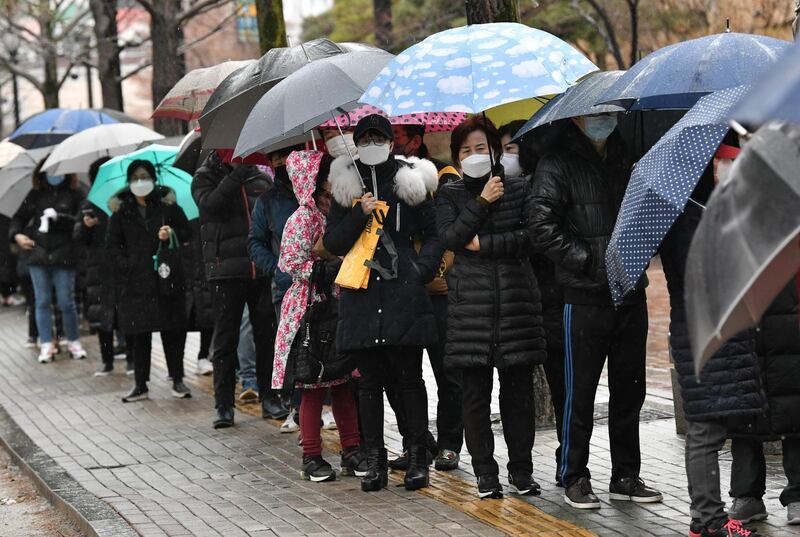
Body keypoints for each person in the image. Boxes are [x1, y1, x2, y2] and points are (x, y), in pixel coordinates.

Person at [531, 113, 663, 509]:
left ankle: (626, 474)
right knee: (579, 393)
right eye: (596, 113)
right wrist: (589, 259)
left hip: (629, 293)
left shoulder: (627, 158)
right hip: (584, 296)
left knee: (630, 391)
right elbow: (541, 226)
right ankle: (574, 475)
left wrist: (637, 254)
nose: (603, 120)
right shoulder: (556, 163)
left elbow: (644, 215)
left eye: (610, 113)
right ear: (577, 117)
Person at [323, 114, 442, 492]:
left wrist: (420, 269)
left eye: (380, 137)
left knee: (410, 379)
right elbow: (334, 243)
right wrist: (359, 213)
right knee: (369, 384)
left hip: (402, 293)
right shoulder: (346, 186)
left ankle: (418, 455)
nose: (373, 143)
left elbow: (434, 231)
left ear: (392, 142)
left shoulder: (409, 179)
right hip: (361, 293)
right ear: (356, 144)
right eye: (365, 138)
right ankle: (375, 460)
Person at [436, 117, 546, 499]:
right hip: (472, 312)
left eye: (480, 147)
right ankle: (485, 472)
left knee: (518, 397)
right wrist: (483, 202)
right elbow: (450, 237)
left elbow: (531, 237)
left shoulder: (518, 188)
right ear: (456, 157)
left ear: (495, 151)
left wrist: (485, 245)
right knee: (474, 398)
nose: (473, 155)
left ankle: (522, 471)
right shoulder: (450, 194)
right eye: (465, 150)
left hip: (516, 305)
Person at [659, 141, 765, 537]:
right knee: (704, 429)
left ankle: (710, 519)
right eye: (723, 163)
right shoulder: (685, 216)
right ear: (706, 170)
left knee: (714, 426)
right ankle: (707, 521)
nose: (730, 170)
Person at [270, 150, 366, 482]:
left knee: (342, 382)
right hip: (310, 311)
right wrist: (324, 269)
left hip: (339, 305)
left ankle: (351, 450)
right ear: (311, 180)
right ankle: (311, 455)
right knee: (311, 384)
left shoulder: (333, 210)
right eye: (327, 175)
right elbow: (290, 264)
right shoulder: (301, 218)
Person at [388, 123, 462, 473]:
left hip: (438, 290)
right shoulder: (386, 181)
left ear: (415, 141)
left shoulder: (445, 179)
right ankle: (416, 442)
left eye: (396, 138)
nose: (390, 145)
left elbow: (445, 232)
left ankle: (449, 443)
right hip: (402, 292)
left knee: (448, 371)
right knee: (403, 375)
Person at [193, 151, 276, 428]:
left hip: (259, 270)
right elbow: (210, 207)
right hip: (225, 270)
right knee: (226, 340)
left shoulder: (260, 176)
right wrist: (235, 176)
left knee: (266, 336)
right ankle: (224, 405)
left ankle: (270, 398)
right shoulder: (205, 176)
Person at [106, 160, 192, 402]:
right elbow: (111, 246)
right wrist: (127, 265)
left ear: (153, 179)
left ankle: (177, 379)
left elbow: (186, 231)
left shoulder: (167, 207)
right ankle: (140, 384)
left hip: (166, 279)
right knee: (139, 335)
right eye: (135, 177)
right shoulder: (121, 212)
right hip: (136, 284)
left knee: (172, 332)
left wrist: (170, 233)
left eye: (144, 176)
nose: (140, 182)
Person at [727, 282, 800, 527]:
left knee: (795, 409)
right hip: (744, 324)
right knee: (745, 413)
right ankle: (747, 494)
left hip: (791, 323)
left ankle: (798, 495)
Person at [248, 145, 305, 424]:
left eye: (287, 155)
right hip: (285, 287)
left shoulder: (316, 191)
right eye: (275, 157)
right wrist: (278, 269)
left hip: (320, 282)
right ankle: (297, 407)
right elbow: (255, 242)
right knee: (292, 347)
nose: (282, 162)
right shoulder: (267, 201)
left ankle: (328, 405)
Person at [10, 163, 86, 363]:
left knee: (65, 301)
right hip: (38, 255)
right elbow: (18, 218)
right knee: (41, 301)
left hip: (64, 256)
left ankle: (73, 340)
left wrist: (59, 218)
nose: (54, 175)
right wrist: (17, 236)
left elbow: (80, 220)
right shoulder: (35, 195)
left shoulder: (75, 193)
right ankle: (45, 343)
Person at [73, 157, 133, 376]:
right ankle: (107, 361)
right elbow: (78, 236)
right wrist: (86, 226)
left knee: (127, 314)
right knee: (102, 317)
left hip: (122, 265)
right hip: (98, 269)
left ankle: (132, 359)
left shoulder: (126, 199)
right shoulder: (90, 203)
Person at [183, 218, 214, 377]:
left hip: (205, 275)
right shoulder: (181, 221)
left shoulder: (209, 219)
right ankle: (177, 365)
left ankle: (204, 356)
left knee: (208, 320)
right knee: (182, 323)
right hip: (187, 277)